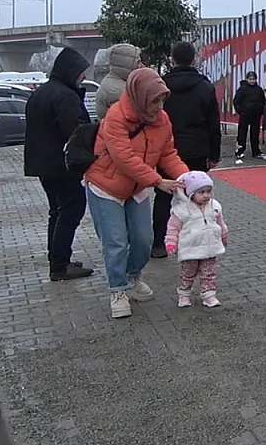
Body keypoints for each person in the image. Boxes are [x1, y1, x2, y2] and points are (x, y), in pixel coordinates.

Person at [84, 68, 188, 319]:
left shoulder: (162, 119)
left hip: (137, 187)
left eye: (162, 99)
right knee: (116, 241)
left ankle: (133, 276)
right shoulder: (116, 117)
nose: (159, 106)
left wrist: (188, 179)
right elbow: (124, 159)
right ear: (140, 96)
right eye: (154, 100)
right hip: (105, 186)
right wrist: (157, 181)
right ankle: (118, 289)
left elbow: (167, 154)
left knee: (143, 238)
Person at [22, 47, 95, 281]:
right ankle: (60, 265)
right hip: (62, 166)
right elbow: (76, 132)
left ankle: (58, 259)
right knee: (71, 210)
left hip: (44, 165)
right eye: (81, 72)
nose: (83, 76)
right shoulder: (65, 96)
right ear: (71, 71)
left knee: (57, 211)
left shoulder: (42, 92)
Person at [152, 41, 221, 259]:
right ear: (194, 59)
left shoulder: (161, 86)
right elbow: (213, 124)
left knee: (163, 197)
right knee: (199, 197)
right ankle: (198, 241)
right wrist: (214, 154)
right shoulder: (205, 86)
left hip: (166, 149)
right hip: (198, 148)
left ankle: (159, 243)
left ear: (172, 59)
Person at [165, 171, 229, 308]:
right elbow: (172, 229)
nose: (206, 195)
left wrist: (223, 235)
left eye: (208, 191)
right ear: (190, 193)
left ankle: (209, 295)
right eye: (201, 192)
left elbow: (220, 223)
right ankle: (184, 294)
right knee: (188, 273)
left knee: (209, 273)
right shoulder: (181, 210)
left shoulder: (214, 206)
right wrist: (171, 243)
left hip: (210, 247)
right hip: (190, 249)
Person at [94, 43, 140, 120]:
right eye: (138, 62)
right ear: (126, 64)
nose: (141, 65)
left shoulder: (119, 82)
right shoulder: (116, 90)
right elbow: (133, 118)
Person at [232, 71, 266, 162]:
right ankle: (240, 151)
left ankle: (256, 151)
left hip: (256, 115)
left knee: (255, 134)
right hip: (245, 114)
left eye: (254, 79)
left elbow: (263, 101)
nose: (252, 81)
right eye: (250, 79)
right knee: (242, 134)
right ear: (247, 79)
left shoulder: (259, 89)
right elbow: (236, 101)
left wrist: (260, 110)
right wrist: (241, 111)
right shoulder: (242, 89)